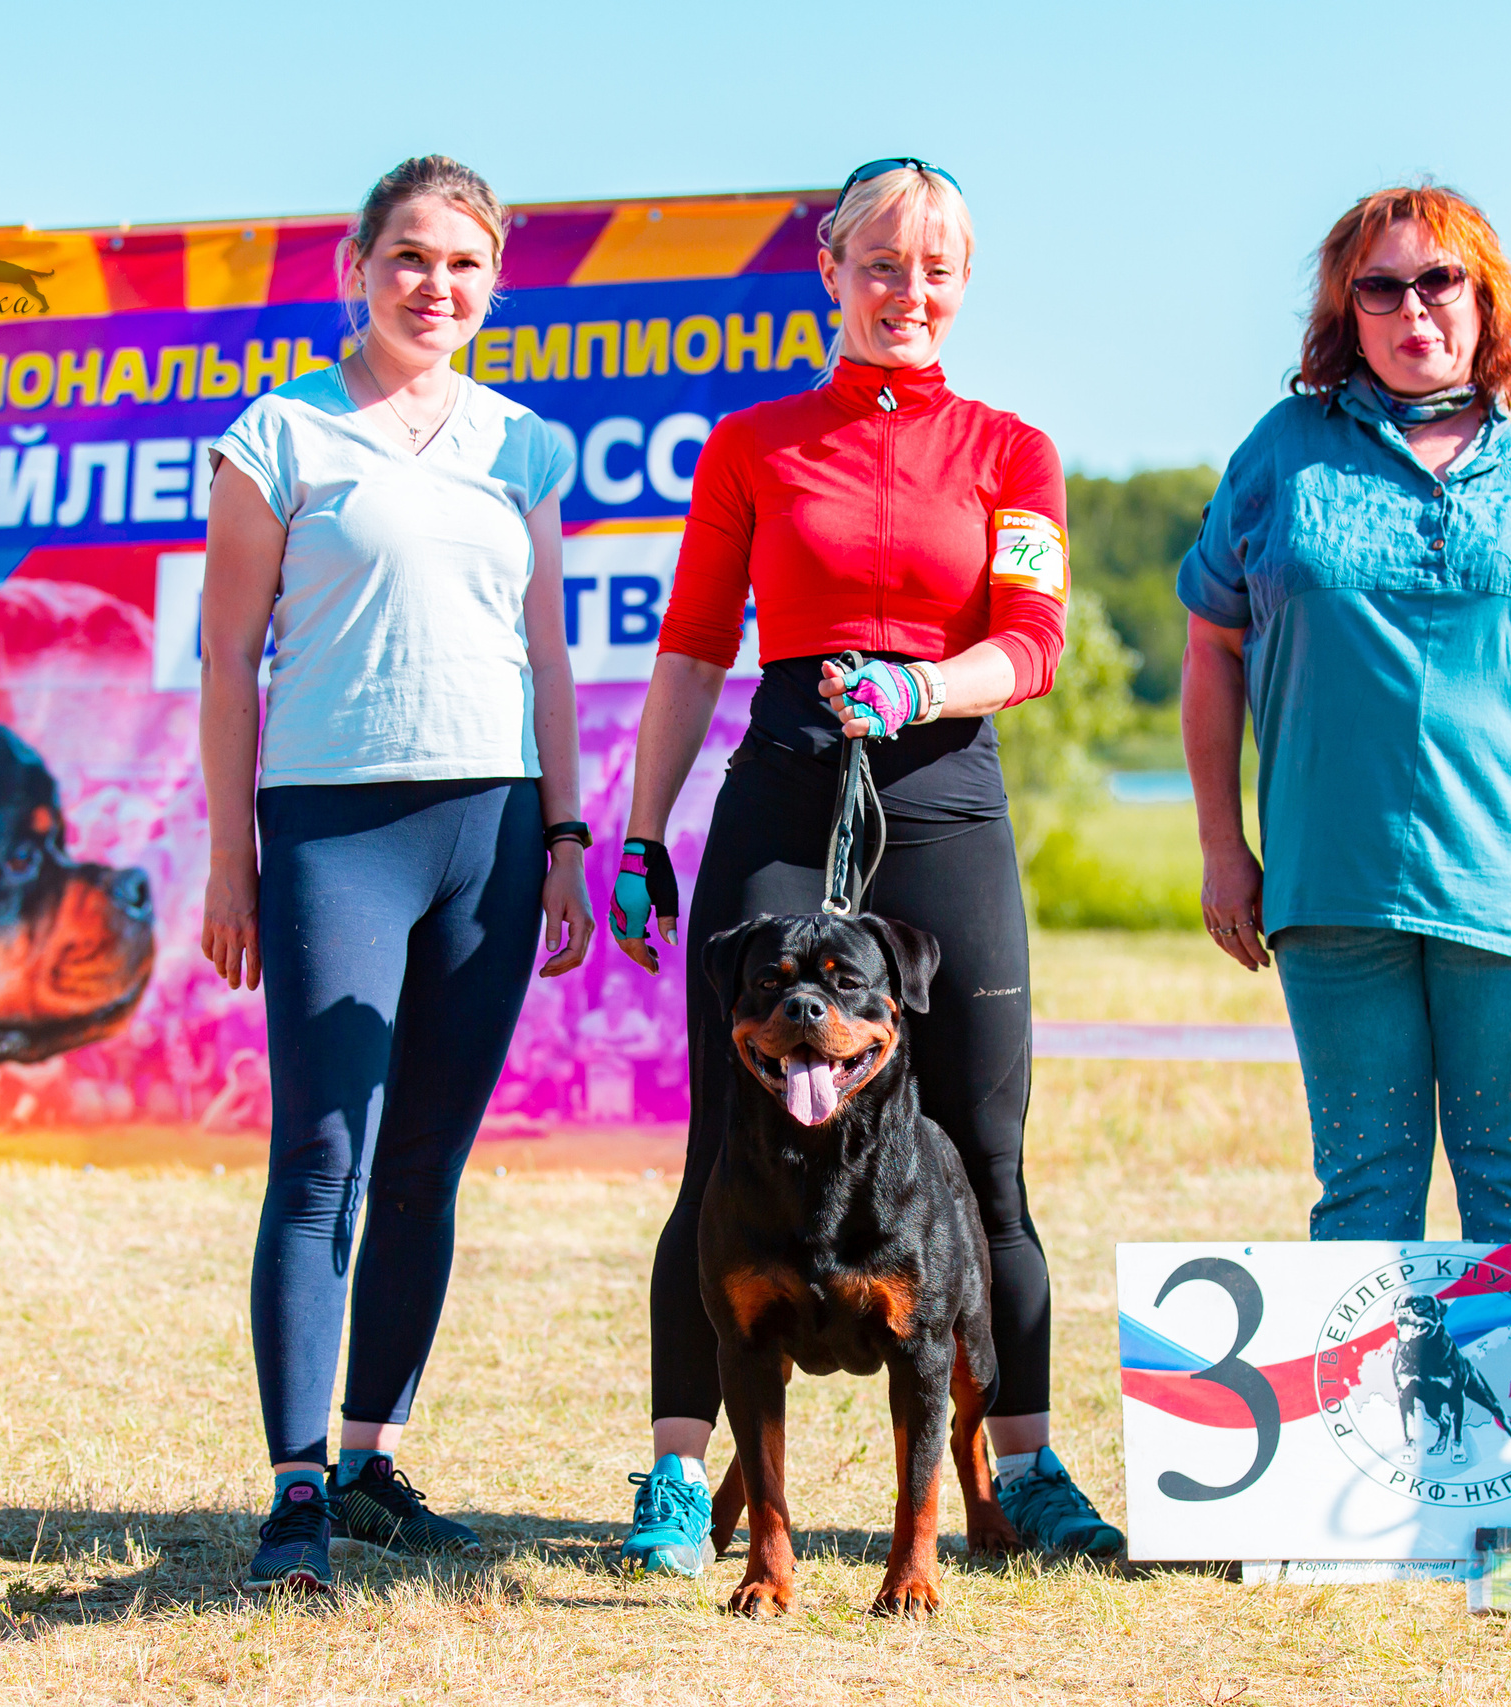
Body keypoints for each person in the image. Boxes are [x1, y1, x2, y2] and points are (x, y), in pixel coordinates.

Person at [605, 159, 1126, 1574]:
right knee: (726, 1145)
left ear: (964, 284)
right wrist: (644, 831)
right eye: (880, 263)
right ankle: (673, 1471)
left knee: (988, 1158)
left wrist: (924, 689)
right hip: (783, 784)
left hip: (943, 787)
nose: (908, 291)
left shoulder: (1012, 450)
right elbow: (694, 647)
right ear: (828, 269)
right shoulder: (755, 442)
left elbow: (1034, 641)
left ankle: (1027, 1464)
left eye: (936, 267)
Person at [199, 154, 594, 1593]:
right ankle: (294, 1483)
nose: (438, 286)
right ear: (356, 267)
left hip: (489, 834)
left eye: (466, 265)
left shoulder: (526, 451)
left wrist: (561, 834)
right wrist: (232, 853)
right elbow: (228, 659)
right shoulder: (279, 438)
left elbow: (548, 654)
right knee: (321, 1161)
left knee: (425, 1162)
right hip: (330, 831)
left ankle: (370, 1460)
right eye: (411, 257)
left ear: (496, 285)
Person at [1177, 183, 1511, 1246]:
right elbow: (1211, 646)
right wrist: (1224, 849)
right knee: (1362, 1193)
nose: (1415, 313)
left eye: (1439, 282)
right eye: (1381, 290)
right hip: (1332, 890)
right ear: (1343, 313)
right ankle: (1370, 1420)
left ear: (1485, 297)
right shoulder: (1283, 451)